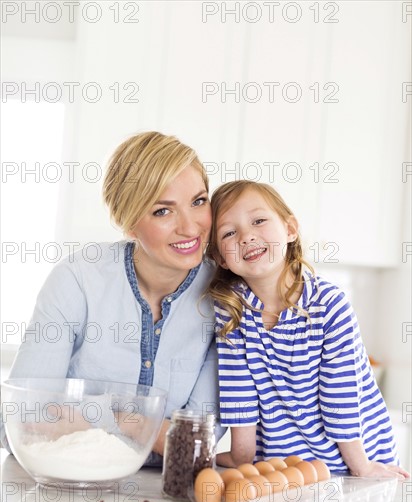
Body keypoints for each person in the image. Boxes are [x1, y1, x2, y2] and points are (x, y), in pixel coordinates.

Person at [1, 131, 224, 464]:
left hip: (161, 500)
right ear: (129, 224)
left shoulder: (223, 296)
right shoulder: (77, 280)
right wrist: (140, 423)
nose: (190, 228)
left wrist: (119, 418)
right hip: (65, 484)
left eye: (198, 201)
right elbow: (19, 421)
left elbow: (195, 445)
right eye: (163, 211)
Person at [206, 179, 409, 478]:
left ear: (289, 229)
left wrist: (362, 467)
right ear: (221, 258)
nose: (247, 237)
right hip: (288, 469)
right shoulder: (233, 313)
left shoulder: (329, 305)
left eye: (259, 220)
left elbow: (339, 396)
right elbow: (240, 397)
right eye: (229, 233)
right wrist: (241, 458)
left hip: (356, 461)